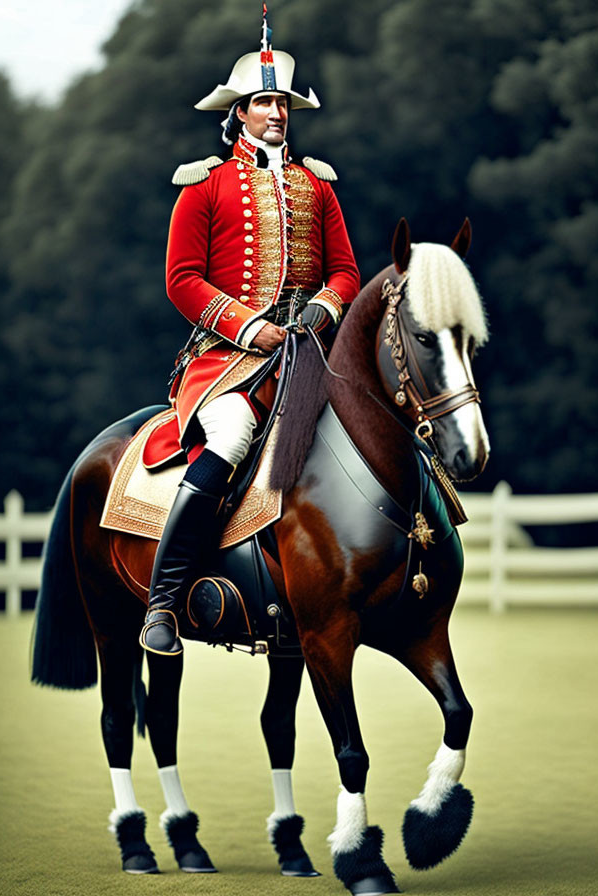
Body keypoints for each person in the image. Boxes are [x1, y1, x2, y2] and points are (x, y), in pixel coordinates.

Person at [139, 15, 360, 656]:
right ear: (239, 113)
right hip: (227, 360)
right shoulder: (203, 185)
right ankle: (162, 601)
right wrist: (249, 326)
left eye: (284, 103)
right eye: (265, 101)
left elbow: (346, 270)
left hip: (310, 353)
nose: (277, 112)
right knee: (233, 434)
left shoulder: (317, 184)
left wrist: (322, 309)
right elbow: (182, 280)